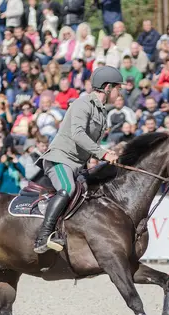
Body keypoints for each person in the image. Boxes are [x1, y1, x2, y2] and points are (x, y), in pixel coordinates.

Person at [33, 65, 122, 254]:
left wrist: (95, 160)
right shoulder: (83, 104)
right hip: (60, 159)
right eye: (117, 88)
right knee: (67, 189)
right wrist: (104, 153)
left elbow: (88, 144)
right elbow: (78, 134)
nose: (119, 91)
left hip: (77, 165)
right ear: (107, 87)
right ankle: (43, 236)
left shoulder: (101, 112)